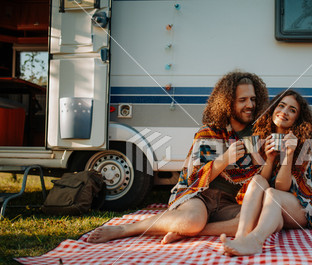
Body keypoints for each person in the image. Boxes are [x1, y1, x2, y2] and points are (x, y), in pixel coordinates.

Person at [87, 71, 268, 244]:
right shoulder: (210, 132)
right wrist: (225, 159)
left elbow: (258, 177)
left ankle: (187, 232)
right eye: (242, 100)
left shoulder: (256, 135)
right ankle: (125, 230)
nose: (250, 105)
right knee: (192, 220)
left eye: (253, 99)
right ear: (228, 102)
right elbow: (194, 179)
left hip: (229, 201)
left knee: (254, 221)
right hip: (199, 196)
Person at [220, 89, 312, 256]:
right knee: (258, 182)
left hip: (298, 207)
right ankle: (241, 238)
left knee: (273, 194)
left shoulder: (304, 144)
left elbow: (282, 189)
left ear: (298, 118)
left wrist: (288, 155)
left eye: (292, 110)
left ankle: (255, 242)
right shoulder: (256, 140)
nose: (284, 112)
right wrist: (270, 159)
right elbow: (261, 181)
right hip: (272, 210)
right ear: (273, 108)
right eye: (281, 106)